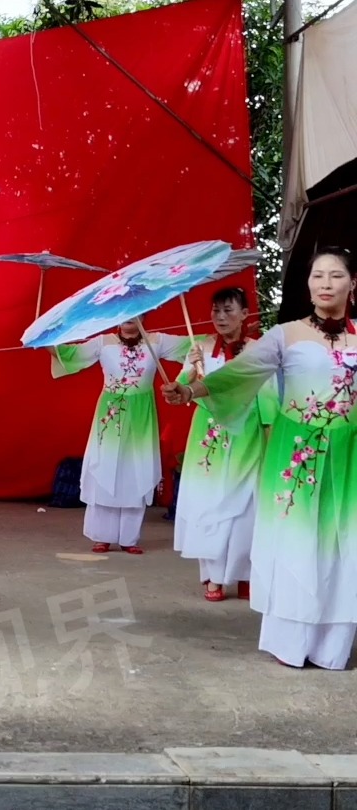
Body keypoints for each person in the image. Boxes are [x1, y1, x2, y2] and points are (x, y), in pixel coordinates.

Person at [164, 247, 357, 669]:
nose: (325, 283)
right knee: (296, 544)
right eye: (317, 275)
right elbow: (238, 374)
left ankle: (331, 647)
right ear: (307, 284)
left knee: (342, 547)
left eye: (336, 276)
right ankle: (291, 642)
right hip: (295, 459)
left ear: (353, 284)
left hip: (348, 456)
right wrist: (190, 390)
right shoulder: (285, 335)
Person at [173, 287, 276, 601]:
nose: (220, 317)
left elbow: (269, 397)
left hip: (247, 436)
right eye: (216, 310)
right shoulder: (200, 348)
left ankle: (245, 575)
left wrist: (270, 440)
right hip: (209, 441)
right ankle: (214, 577)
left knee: (246, 507)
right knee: (209, 505)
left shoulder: (259, 350)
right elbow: (178, 393)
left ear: (245, 314)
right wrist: (186, 374)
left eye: (228, 310)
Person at [49, 318, 187, 554]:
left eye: (135, 314)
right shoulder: (103, 342)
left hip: (142, 416)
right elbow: (69, 354)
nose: (128, 319)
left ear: (144, 315)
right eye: (124, 314)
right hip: (110, 416)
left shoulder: (157, 342)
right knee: (105, 469)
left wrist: (221, 340)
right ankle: (101, 535)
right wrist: (48, 342)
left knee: (136, 471)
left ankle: (129, 538)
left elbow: (195, 347)